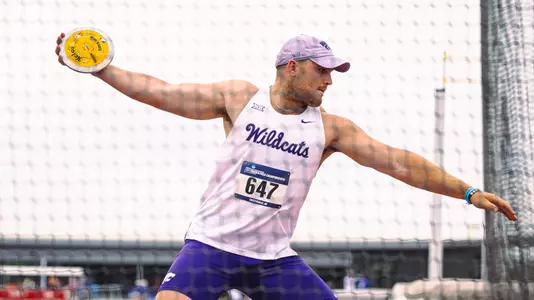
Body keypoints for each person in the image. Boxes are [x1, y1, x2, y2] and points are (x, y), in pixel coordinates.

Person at [55, 33, 518, 300]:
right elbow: (161, 91)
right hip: (211, 247)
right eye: (322, 71)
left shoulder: (331, 129)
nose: (329, 80)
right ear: (292, 68)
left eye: (332, 72)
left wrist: (467, 191)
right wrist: (102, 68)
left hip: (272, 260)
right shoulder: (239, 99)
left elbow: (399, 163)